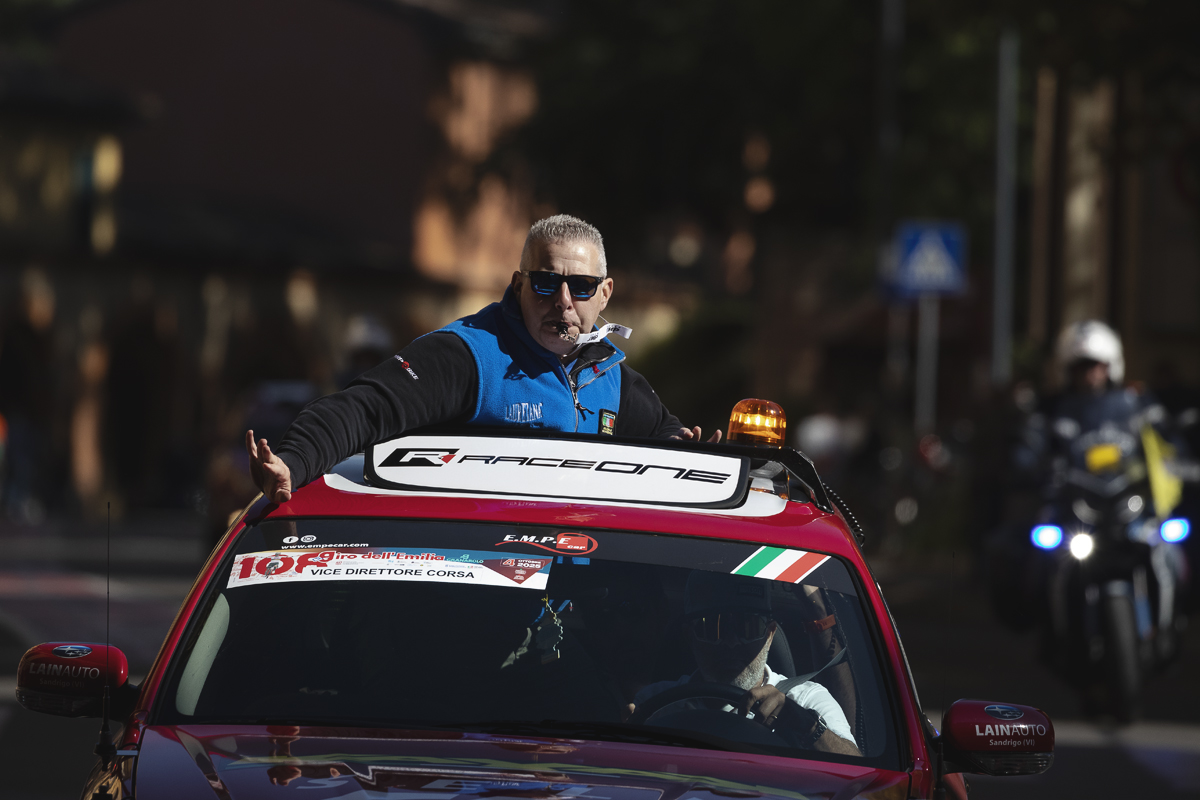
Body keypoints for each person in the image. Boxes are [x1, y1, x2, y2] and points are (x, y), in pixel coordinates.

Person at [248, 215, 719, 502]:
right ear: (518, 285)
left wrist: (688, 452)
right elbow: (365, 408)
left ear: (605, 295)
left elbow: (663, 438)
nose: (562, 301)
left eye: (580, 287)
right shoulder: (468, 355)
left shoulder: (611, 377)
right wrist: (295, 461)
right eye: (543, 282)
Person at [630, 571, 860, 756]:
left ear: (770, 635)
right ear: (690, 636)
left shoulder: (804, 699)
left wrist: (804, 724)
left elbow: (859, 773)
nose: (730, 644)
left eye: (747, 627)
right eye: (713, 628)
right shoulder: (657, 705)